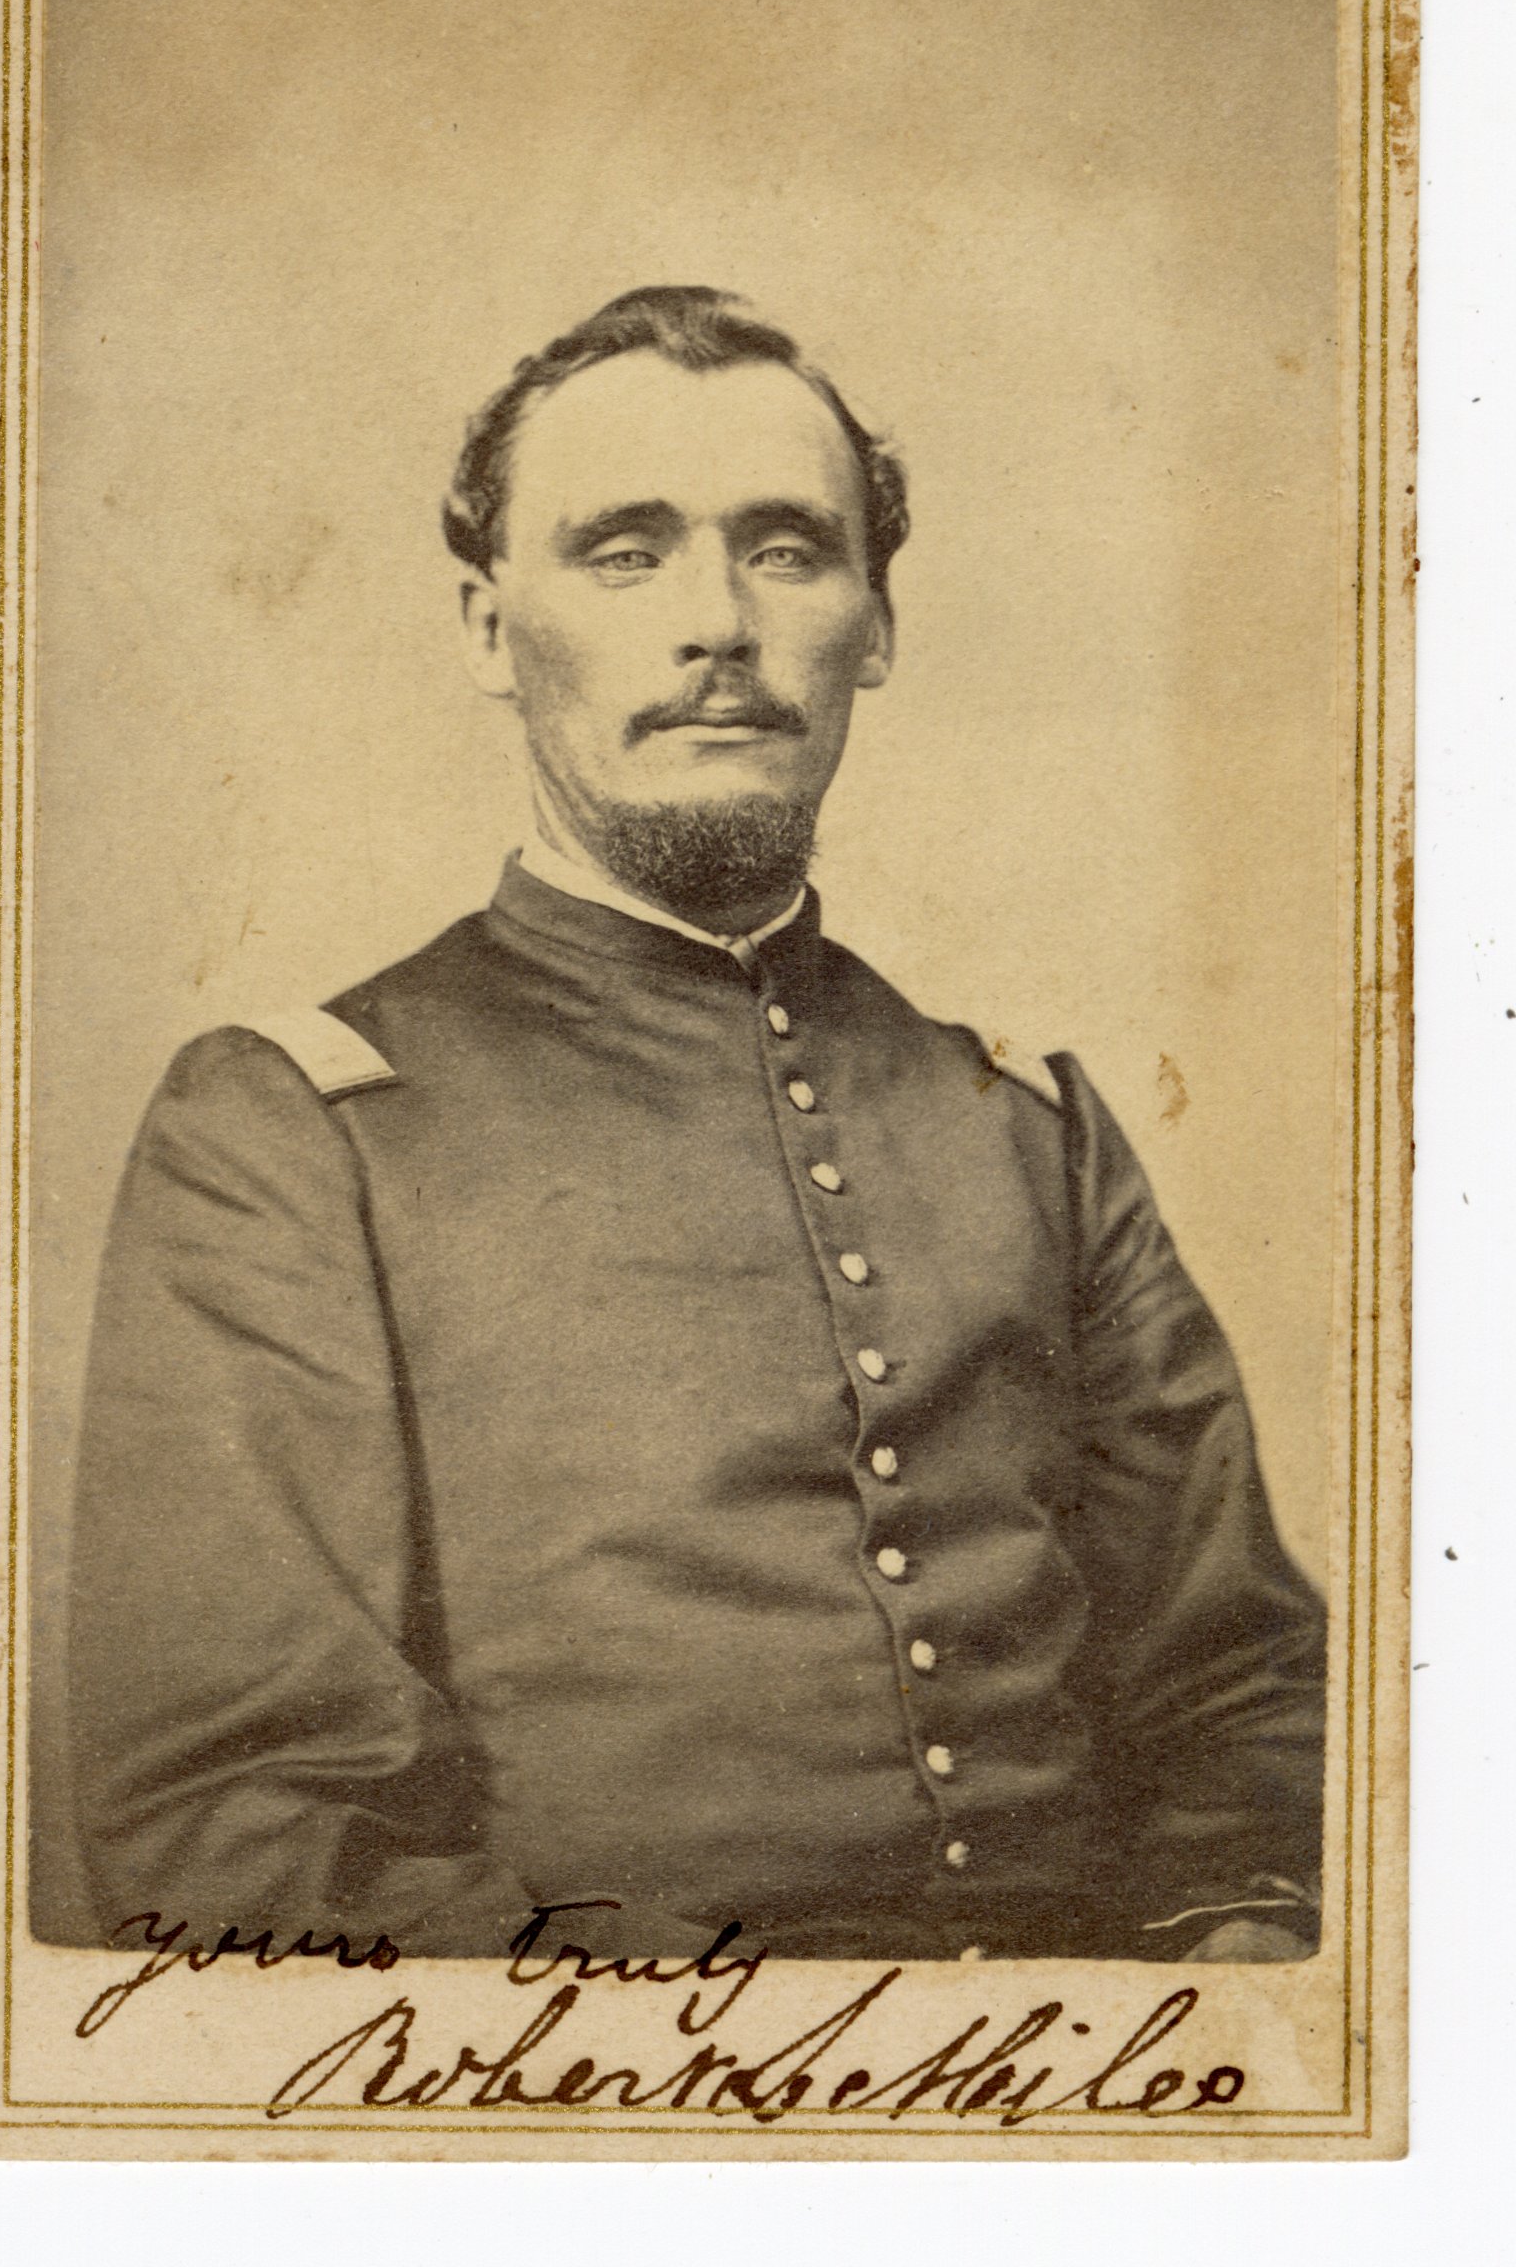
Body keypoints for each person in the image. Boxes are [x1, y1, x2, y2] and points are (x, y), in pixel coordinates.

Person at [68, 285, 1325, 1967]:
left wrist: (1236, 1959)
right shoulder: (295, 1128)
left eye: (789, 552)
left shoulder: (1032, 1126)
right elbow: (240, 1823)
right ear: (486, 630)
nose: (719, 622)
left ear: (877, 628)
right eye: (626, 553)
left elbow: (1237, 1696)